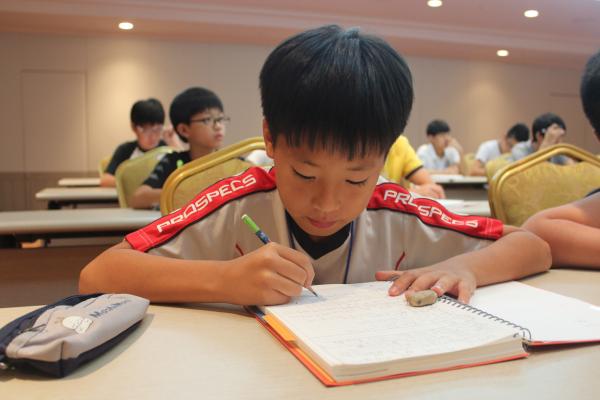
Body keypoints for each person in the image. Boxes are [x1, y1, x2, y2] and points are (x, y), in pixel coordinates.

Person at [80, 25, 550, 306]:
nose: (327, 203)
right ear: (270, 139)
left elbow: (532, 245)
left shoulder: (397, 211)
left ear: (385, 157)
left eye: (356, 178)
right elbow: (98, 274)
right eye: (304, 174)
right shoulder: (235, 205)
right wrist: (223, 279)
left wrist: (464, 267)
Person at [522, 50, 600, 269]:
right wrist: (547, 145)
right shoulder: (522, 152)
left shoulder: (562, 156)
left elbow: (572, 169)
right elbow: (536, 231)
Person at [129, 87, 227, 209]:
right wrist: (183, 193)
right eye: (207, 120)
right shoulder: (172, 162)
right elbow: (138, 198)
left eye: (220, 119)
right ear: (184, 130)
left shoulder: (232, 162)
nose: (218, 126)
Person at [100, 98, 173, 187]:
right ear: (134, 127)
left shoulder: (167, 149)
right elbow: (105, 180)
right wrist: (137, 183)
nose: (153, 136)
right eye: (145, 130)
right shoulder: (125, 150)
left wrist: (173, 143)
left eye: (157, 129)